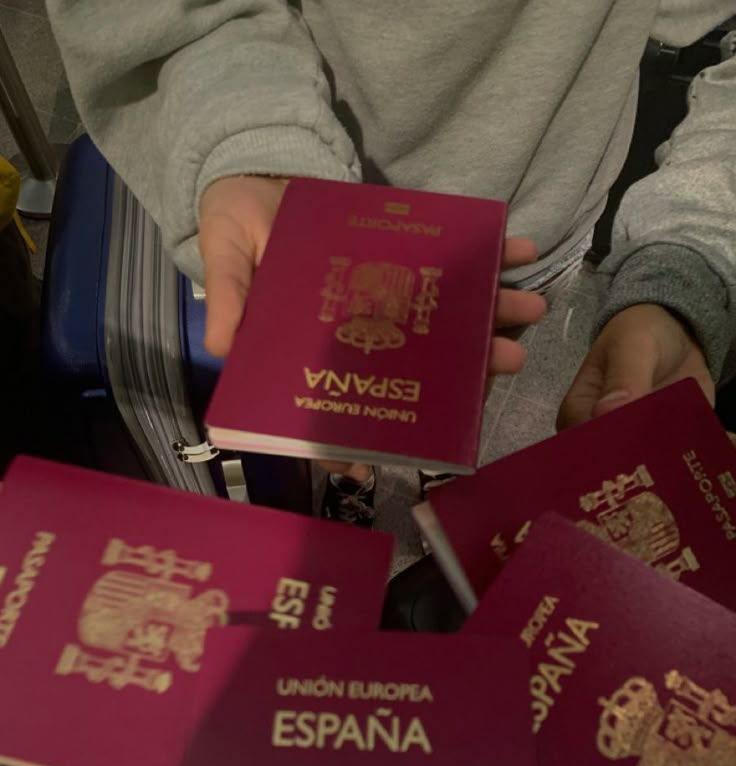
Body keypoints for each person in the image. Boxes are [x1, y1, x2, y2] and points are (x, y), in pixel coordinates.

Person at [46, 1, 736, 527]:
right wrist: (250, 142)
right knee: (344, 412)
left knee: (456, 392)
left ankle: (434, 467)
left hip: (535, 222)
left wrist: (688, 258)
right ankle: (357, 477)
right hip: (307, 212)